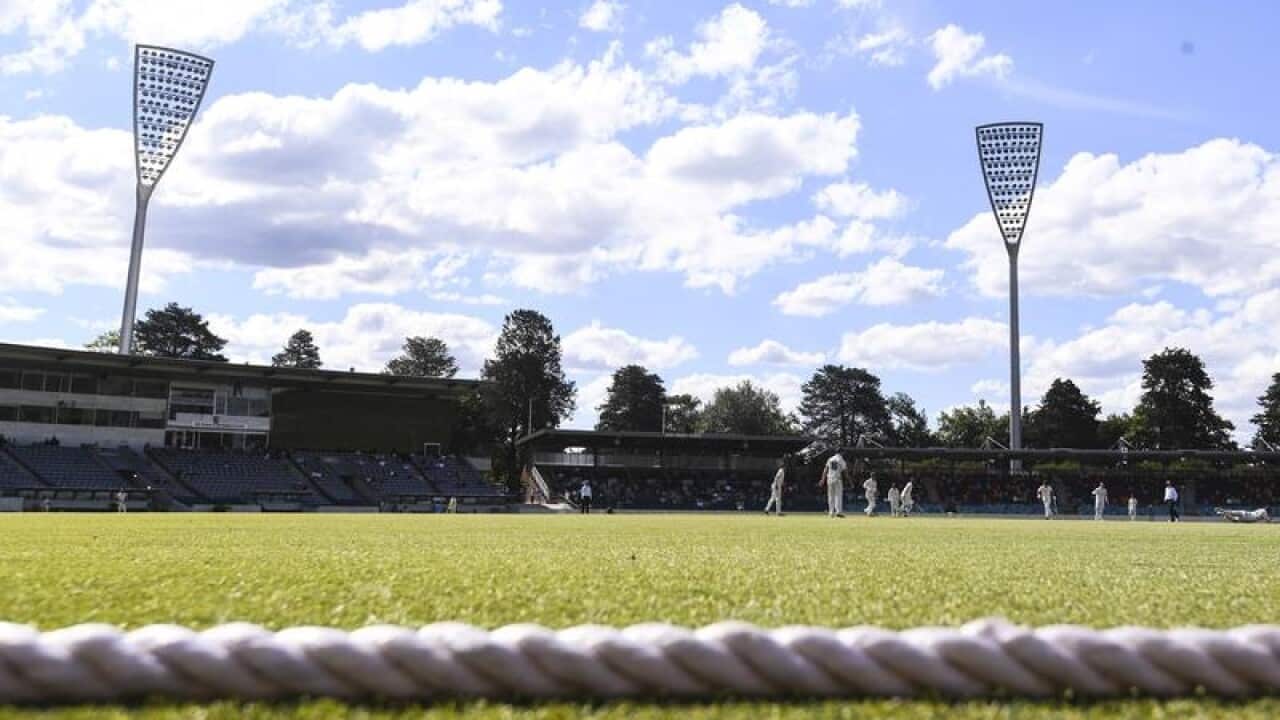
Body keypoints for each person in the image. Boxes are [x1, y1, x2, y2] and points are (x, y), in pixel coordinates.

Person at [819, 453, 846, 518]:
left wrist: (822, 479)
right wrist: (850, 481)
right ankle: (838, 512)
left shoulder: (830, 459)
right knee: (838, 496)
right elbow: (845, 471)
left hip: (829, 479)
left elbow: (825, 470)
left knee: (830, 496)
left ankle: (831, 512)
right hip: (837, 479)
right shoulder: (841, 459)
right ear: (842, 453)